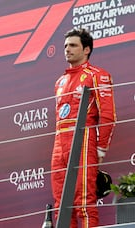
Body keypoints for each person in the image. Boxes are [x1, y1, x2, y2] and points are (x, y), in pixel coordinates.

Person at [51, 28, 116, 227]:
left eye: (72, 45)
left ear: (86, 49)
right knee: (61, 205)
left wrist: (100, 149)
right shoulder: (59, 81)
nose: (67, 50)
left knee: (85, 203)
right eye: (65, 46)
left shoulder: (98, 75)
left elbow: (107, 116)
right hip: (59, 142)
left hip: (83, 139)